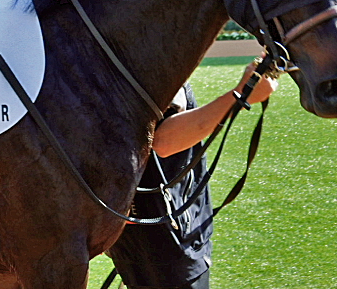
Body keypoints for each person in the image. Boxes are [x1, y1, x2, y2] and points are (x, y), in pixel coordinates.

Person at [108, 62, 277, 289]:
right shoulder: (157, 54)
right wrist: (241, 93)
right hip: (166, 241)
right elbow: (163, 141)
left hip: (129, 229)